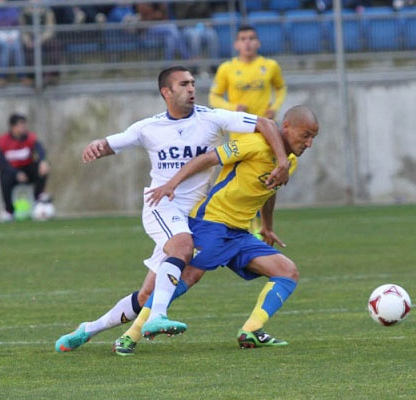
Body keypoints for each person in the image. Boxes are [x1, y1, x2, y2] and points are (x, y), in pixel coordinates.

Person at [54, 66, 291, 352]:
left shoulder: (212, 118)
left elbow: (265, 124)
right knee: (182, 248)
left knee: (148, 293)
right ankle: (158, 317)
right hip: (162, 205)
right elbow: (112, 143)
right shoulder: (148, 127)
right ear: (166, 92)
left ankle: (88, 329)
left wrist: (282, 161)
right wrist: (95, 145)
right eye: (183, 84)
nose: (191, 88)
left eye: (192, 83)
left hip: (195, 216)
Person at [113, 105, 319, 355]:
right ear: (286, 127)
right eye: (305, 135)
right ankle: (129, 335)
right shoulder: (253, 144)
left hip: (239, 234)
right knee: (188, 276)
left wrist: (267, 226)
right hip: (212, 223)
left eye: (313, 138)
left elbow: (269, 190)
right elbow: (207, 158)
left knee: (287, 271)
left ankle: (251, 331)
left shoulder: (290, 163)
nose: (308, 143)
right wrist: (171, 184)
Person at [209, 25, 287, 237]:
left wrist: (275, 108)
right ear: (236, 44)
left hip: (264, 135)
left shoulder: (269, 66)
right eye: (243, 39)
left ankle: (259, 228)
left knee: (262, 180)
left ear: (258, 42)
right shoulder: (227, 68)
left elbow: (281, 88)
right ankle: (240, 225)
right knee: (241, 182)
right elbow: (214, 96)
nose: (248, 43)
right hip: (240, 134)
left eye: (252, 38)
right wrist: (231, 108)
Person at [0, 113, 51, 222]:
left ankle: (38, 201)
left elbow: (40, 150)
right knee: (4, 175)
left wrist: (43, 161)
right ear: (13, 127)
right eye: (21, 125)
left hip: (28, 170)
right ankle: (9, 210)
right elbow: (1, 163)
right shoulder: (1, 142)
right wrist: (16, 173)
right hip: (12, 172)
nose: (24, 128)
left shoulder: (30, 138)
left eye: (24, 125)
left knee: (41, 167)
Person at [0, 0, 27, 87]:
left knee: (17, 46)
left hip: (12, 36)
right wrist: (6, 38)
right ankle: (1, 77)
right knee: (6, 47)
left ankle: (22, 76)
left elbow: (17, 26)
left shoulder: (13, 8)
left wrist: (11, 37)